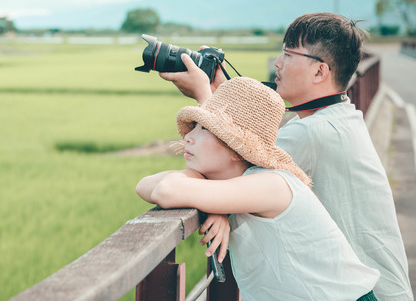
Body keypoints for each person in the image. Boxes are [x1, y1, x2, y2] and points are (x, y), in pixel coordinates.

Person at [160, 12, 412, 300]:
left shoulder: (316, 132)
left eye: (289, 55)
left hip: (370, 293)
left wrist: (205, 94)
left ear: (320, 72)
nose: (278, 63)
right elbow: (239, 157)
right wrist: (222, 95)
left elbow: (234, 154)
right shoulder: (340, 116)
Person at [136, 76, 380, 300]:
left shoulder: (270, 184)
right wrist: (214, 203)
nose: (189, 137)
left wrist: (203, 191)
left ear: (237, 148)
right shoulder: (246, 184)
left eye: (204, 129)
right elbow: (143, 185)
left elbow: (164, 190)